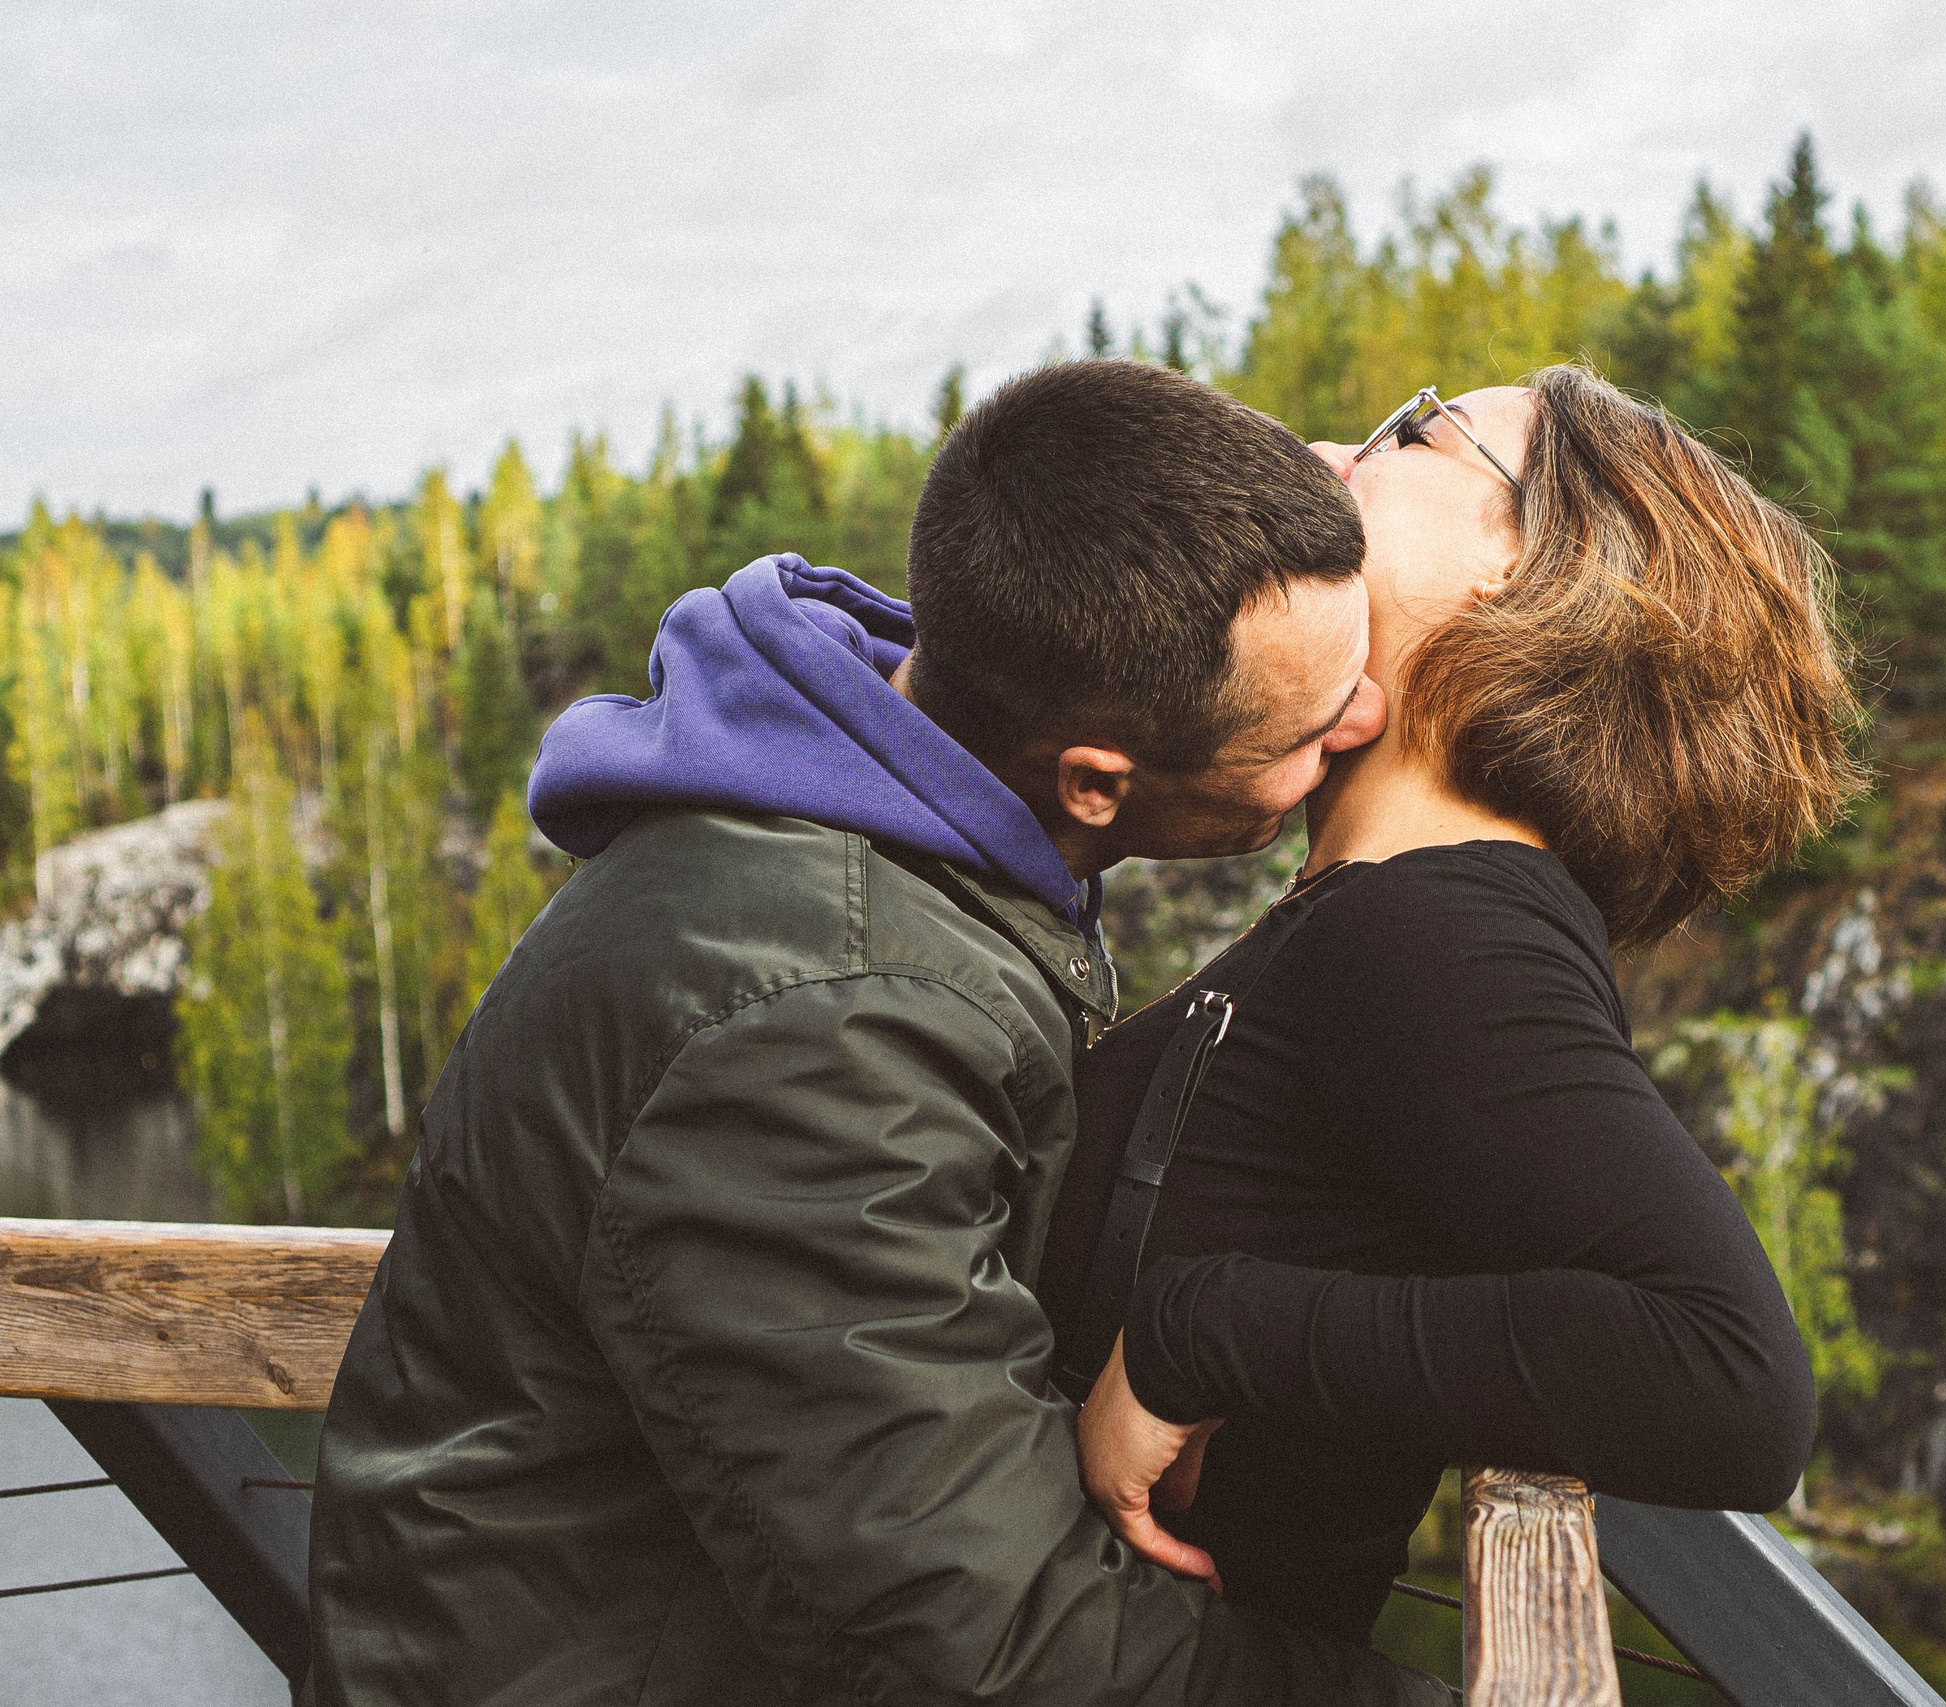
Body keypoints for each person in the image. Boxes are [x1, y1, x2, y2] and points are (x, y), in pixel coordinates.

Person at [305, 361, 1453, 1706]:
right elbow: (976, 1632)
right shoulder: (814, 1023)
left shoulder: (896, 819)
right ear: (1096, 778)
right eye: (1315, 729)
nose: (1367, 720)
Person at [1051, 365, 1864, 1642]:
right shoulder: (1394, 913)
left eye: (1413, 435)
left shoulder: (1439, 926)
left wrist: (1201, 1330)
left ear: (1537, 574)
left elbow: (1728, 1383)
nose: (1329, 446)